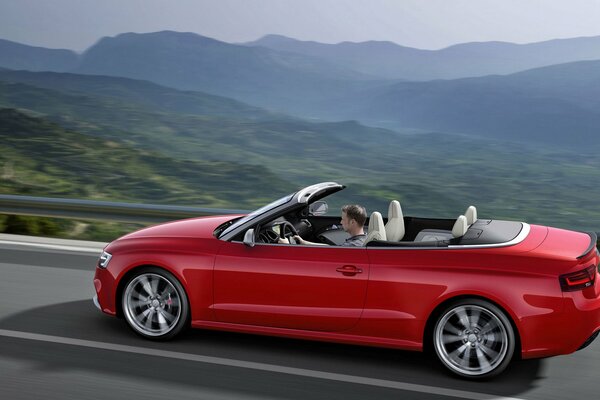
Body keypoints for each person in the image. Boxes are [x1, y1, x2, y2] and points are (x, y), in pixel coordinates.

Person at [280, 204, 367, 246]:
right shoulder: (363, 239)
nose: (341, 222)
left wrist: (288, 246)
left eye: (343, 219)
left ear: (352, 222)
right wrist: (304, 242)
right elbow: (330, 249)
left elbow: (331, 253)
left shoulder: (352, 246)